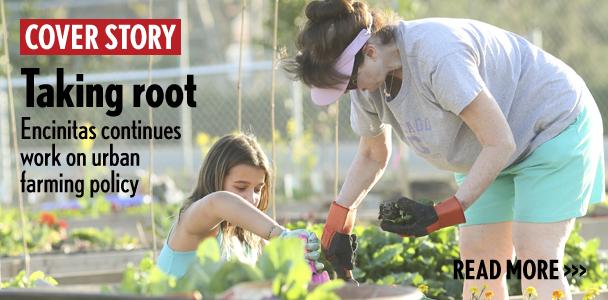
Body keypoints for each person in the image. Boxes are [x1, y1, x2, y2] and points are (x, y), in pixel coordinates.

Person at [284, 0, 605, 298]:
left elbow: (500, 141)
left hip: (551, 125)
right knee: (479, 260)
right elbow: (371, 154)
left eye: (349, 83)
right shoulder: (367, 82)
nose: (350, 92)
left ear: (369, 51)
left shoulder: (437, 56)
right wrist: (337, 224)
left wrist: (441, 214)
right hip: (489, 151)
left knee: (535, 256)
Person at [157, 133, 323, 278]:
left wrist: (301, 256)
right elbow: (218, 202)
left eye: (258, 189)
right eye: (241, 187)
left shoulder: (248, 239)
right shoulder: (192, 221)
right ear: (216, 179)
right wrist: (282, 236)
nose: (251, 199)